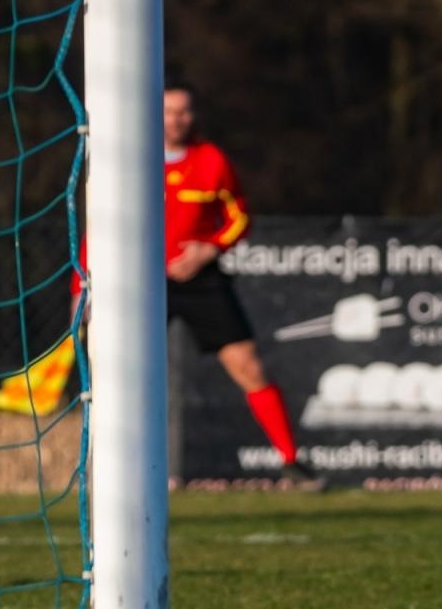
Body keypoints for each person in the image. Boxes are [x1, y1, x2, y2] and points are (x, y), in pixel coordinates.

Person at [75, 77, 321, 489]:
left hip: (199, 282)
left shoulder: (211, 161)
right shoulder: (130, 161)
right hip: (139, 282)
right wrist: (80, 287)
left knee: (248, 365)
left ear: (193, 116)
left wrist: (209, 250)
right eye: (168, 112)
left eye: (183, 112)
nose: (175, 120)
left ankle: (291, 463)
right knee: (119, 372)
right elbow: (97, 227)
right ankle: (107, 467)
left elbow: (239, 217)